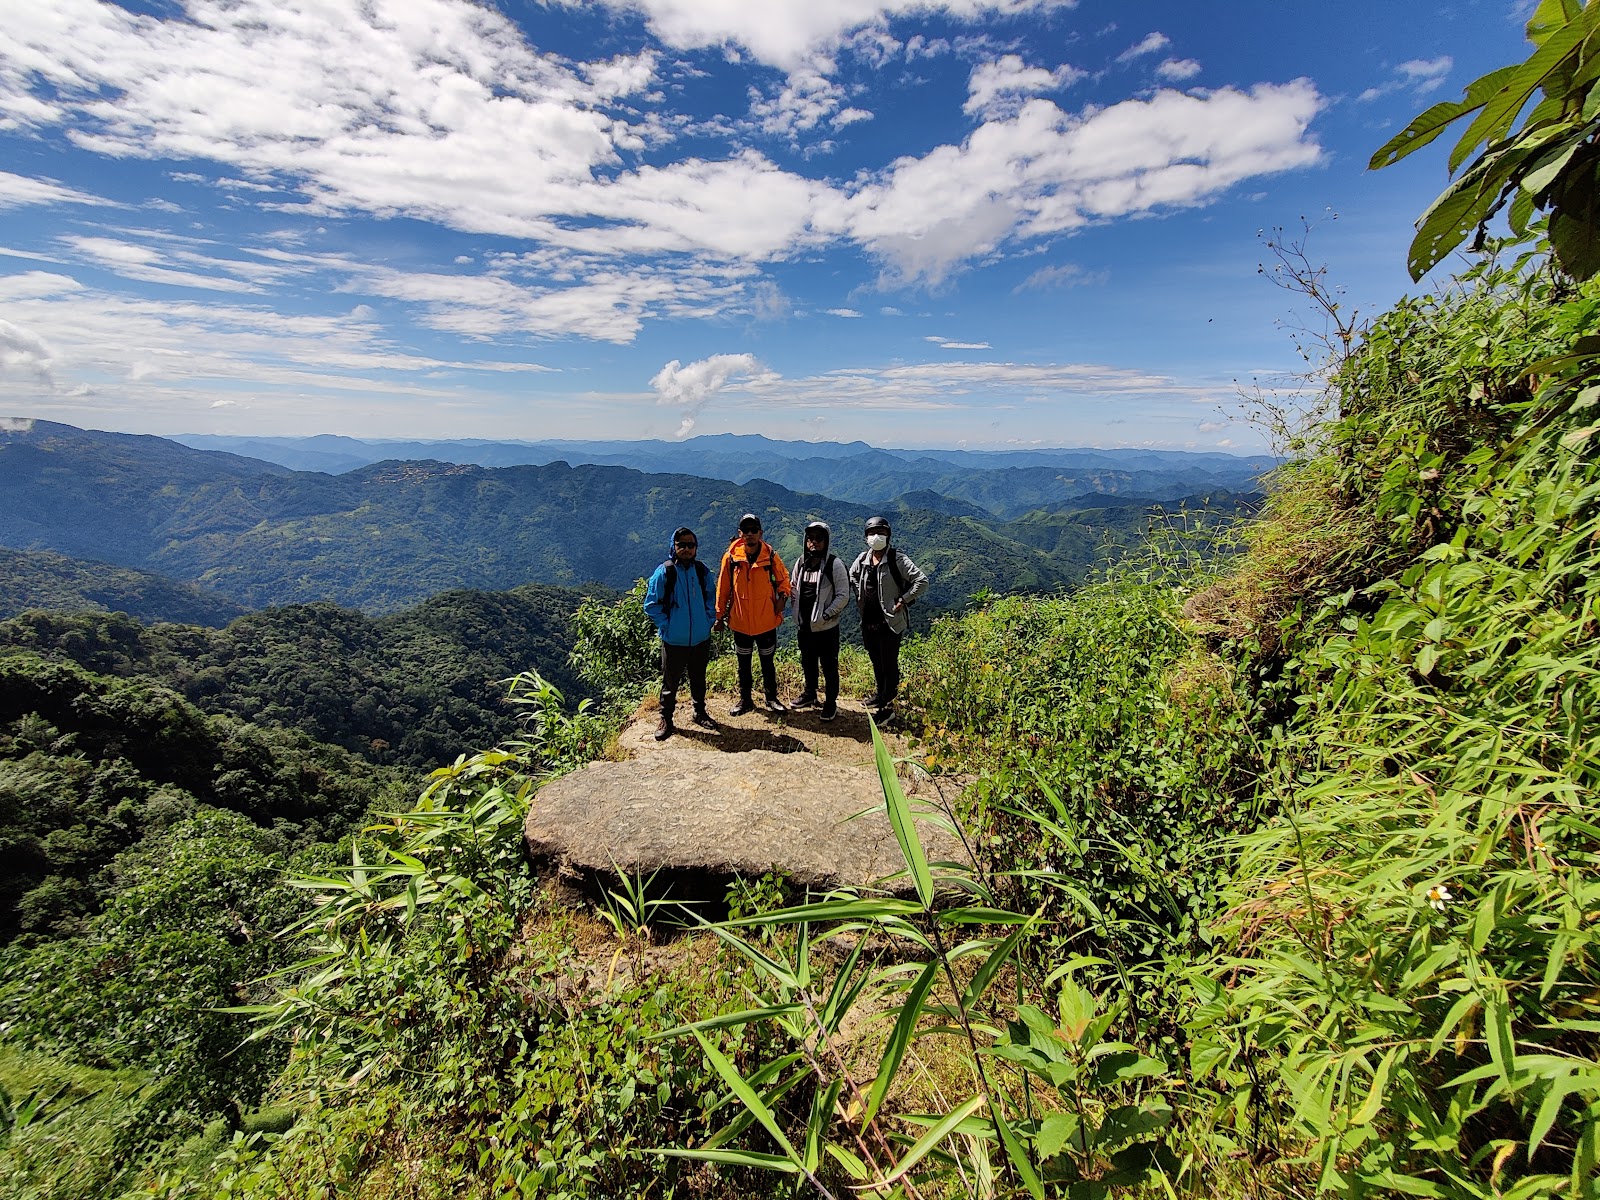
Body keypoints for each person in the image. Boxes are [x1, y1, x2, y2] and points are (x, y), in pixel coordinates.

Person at [848, 515, 928, 721]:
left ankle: (888, 708)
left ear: (888, 536)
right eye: (872, 533)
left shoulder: (896, 559)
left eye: (880, 533)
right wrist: (860, 594)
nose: (876, 537)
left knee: (889, 663)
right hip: (869, 621)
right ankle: (880, 695)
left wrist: (904, 599)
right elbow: (852, 575)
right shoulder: (863, 559)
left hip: (890, 622)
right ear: (866, 537)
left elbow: (921, 580)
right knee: (876, 661)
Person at [714, 512, 793, 716]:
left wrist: (782, 599)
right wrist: (719, 615)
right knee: (743, 664)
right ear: (740, 533)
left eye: (753, 530)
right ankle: (745, 700)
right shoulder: (731, 558)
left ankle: (771, 698)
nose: (749, 534)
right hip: (740, 622)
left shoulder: (771, 556)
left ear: (760, 533)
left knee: (768, 662)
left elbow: (784, 580)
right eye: (745, 530)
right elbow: (723, 589)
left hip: (766, 621)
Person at [642, 526, 717, 740]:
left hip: (700, 638)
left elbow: (710, 598)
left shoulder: (701, 571)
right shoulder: (665, 572)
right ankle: (666, 718)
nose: (686, 549)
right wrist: (668, 625)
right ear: (673, 547)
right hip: (674, 640)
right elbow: (651, 605)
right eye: (681, 545)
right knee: (670, 682)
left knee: (698, 678)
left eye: (690, 545)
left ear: (696, 548)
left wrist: (708, 621)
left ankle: (700, 713)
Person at [788, 520, 849, 721]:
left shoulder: (835, 565)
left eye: (819, 538)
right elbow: (793, 587)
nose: (814, 542)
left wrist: (825, 615)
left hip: (826, 629)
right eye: (810, 538)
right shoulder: (801, 563)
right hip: (804, 627)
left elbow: (843, 595)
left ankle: (830, 702)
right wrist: (795, 613)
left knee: (829, 666)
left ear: (826, 541)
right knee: (808, 663)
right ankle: (810, 694)